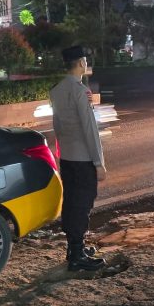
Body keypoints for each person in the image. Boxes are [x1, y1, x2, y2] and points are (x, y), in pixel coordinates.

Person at [50, 45, 107, 271]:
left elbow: (57, 126)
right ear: (81, 63)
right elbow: (90, 129)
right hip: (83, 160)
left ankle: (74, 248)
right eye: (85, 61)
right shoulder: (80, 91)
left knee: (71, 202)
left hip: (67, 158)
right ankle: (77, 256)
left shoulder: (57, 90)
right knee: (82, 204)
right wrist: (98, 163)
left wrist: (62, 152)